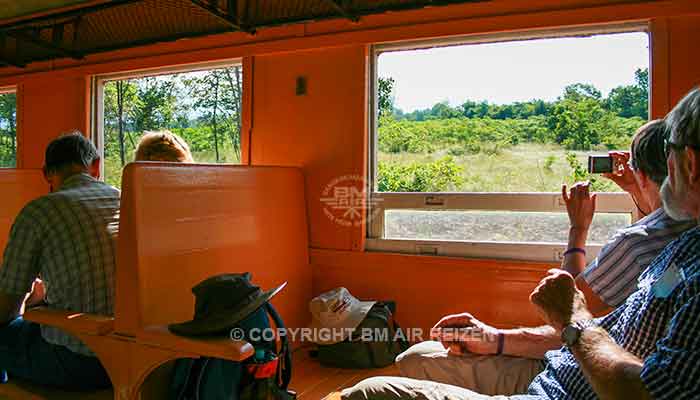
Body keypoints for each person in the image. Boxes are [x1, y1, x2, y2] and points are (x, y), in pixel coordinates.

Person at [341, 87, 700, 399]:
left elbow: (570, 310)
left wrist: (577, 232)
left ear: (689, 163)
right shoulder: (683, 243)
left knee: (381, 382)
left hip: (562, 380)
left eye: (673, 150)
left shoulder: (649, 247)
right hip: (560, 372)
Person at [0, 132, 118, 390]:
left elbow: (8, 306)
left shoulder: (39, 211)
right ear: (96, 165)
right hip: (131, 356)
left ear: (46, 174)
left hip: (78, 362)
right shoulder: (126, 200)